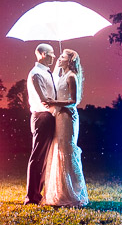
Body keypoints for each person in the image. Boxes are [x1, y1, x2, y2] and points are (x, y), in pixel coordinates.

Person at [41, 49, 89, 207]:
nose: (58, 59)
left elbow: (73, 101)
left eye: (62, 57)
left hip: (68, 117)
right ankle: (59, 191)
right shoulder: (61, 76)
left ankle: (71, 192)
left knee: (66, 149)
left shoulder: (72, 77)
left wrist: (54, 102)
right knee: (58, 147)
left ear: (69, 61)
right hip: (59, 117)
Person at [24, 43, 57, 205]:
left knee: (45, 158)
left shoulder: (47, 72)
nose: (54, 56)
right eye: (51, 53)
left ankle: (38, 194)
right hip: (42, 117)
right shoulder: (36, 74)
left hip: (48, 116)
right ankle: (31, 197)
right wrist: (59, 109)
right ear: (43, 54)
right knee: (38, 157)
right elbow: (44, 100)